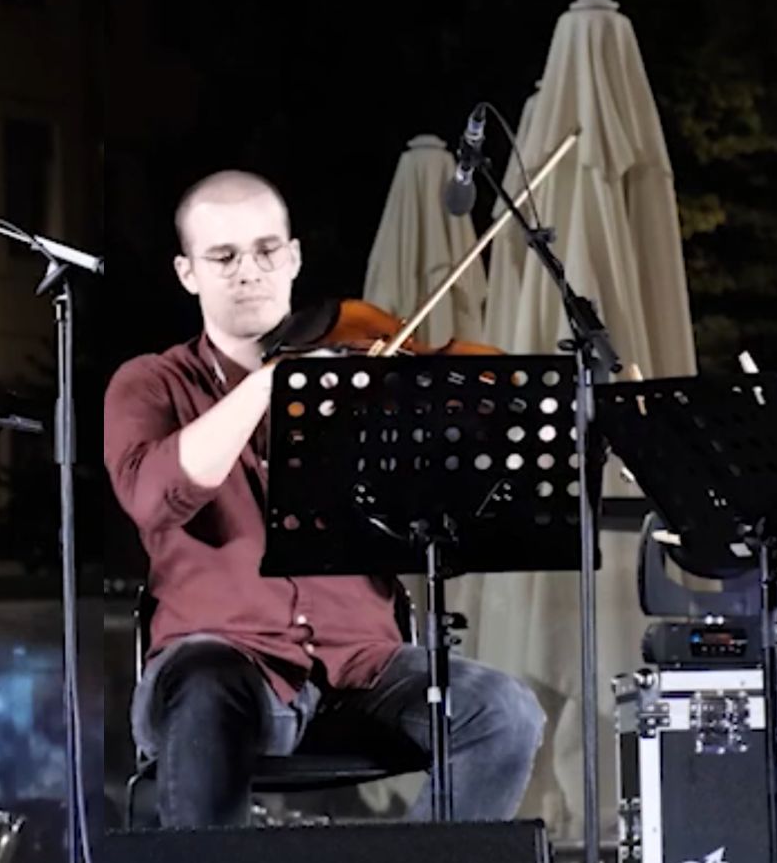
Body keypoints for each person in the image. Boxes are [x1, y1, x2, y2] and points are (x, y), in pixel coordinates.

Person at [104, 168, 547, 827]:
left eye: (265, 250)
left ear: (294, 257)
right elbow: (151, 498)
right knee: (203, 688)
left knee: (504, 711)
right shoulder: (152, 383)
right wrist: (267, 387)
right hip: (226, 662)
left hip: (363, 663)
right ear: (187, 272)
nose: (249, 271)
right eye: (223, 257)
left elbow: (442, 513)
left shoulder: (357, 379)